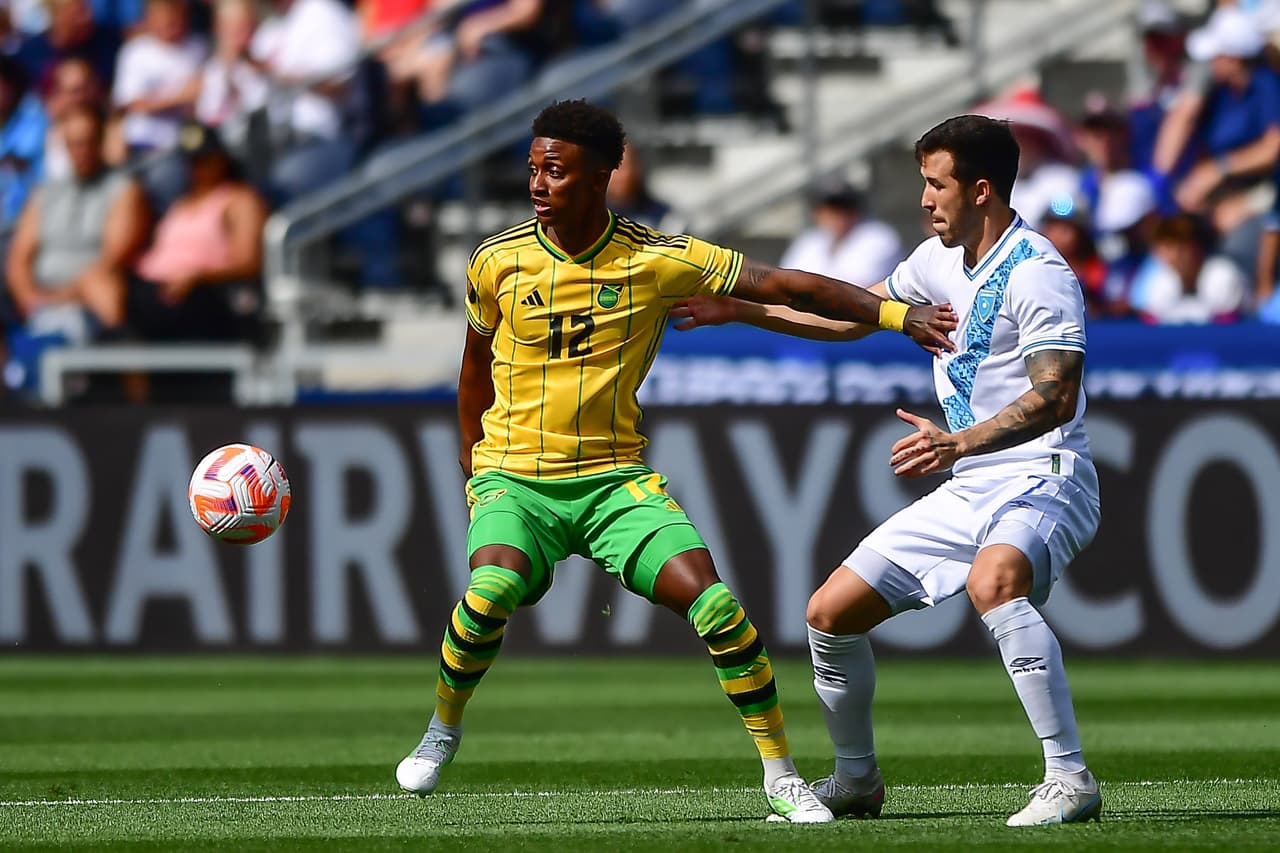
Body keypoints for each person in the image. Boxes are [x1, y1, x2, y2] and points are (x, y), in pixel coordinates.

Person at [393, 99, 956, 823]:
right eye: (533, 168)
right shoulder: (496, 260)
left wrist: (894, 314)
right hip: (515, 476)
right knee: (492, 590)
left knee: (717, 604)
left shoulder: (656, 259)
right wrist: (473, 473)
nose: (538, 183)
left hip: (614, 483)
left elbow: (786, 284)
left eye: (555, 170)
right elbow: (473, 369)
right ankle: (442, 729)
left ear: (601, 175)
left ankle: (781, 774)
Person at [673, 115, 1104, 827]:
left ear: (983, 190)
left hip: (1045, 470)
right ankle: (858, 780)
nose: (925, 199)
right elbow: (852, 317)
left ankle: (1070, 776)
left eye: (937, 185)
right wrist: (740, 309)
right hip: (971, 479)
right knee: (829, 613)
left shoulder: (1039, 272)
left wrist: (959, 443)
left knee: (992, 582)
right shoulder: (935, 262)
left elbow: (1055, 395)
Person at [780, 177, 903, 287]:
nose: (837, 215)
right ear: (817, 213)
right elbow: (786, 283)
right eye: (829, 208)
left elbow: (859, 290)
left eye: (845, 206)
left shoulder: (879, 237)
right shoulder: (810, 241)